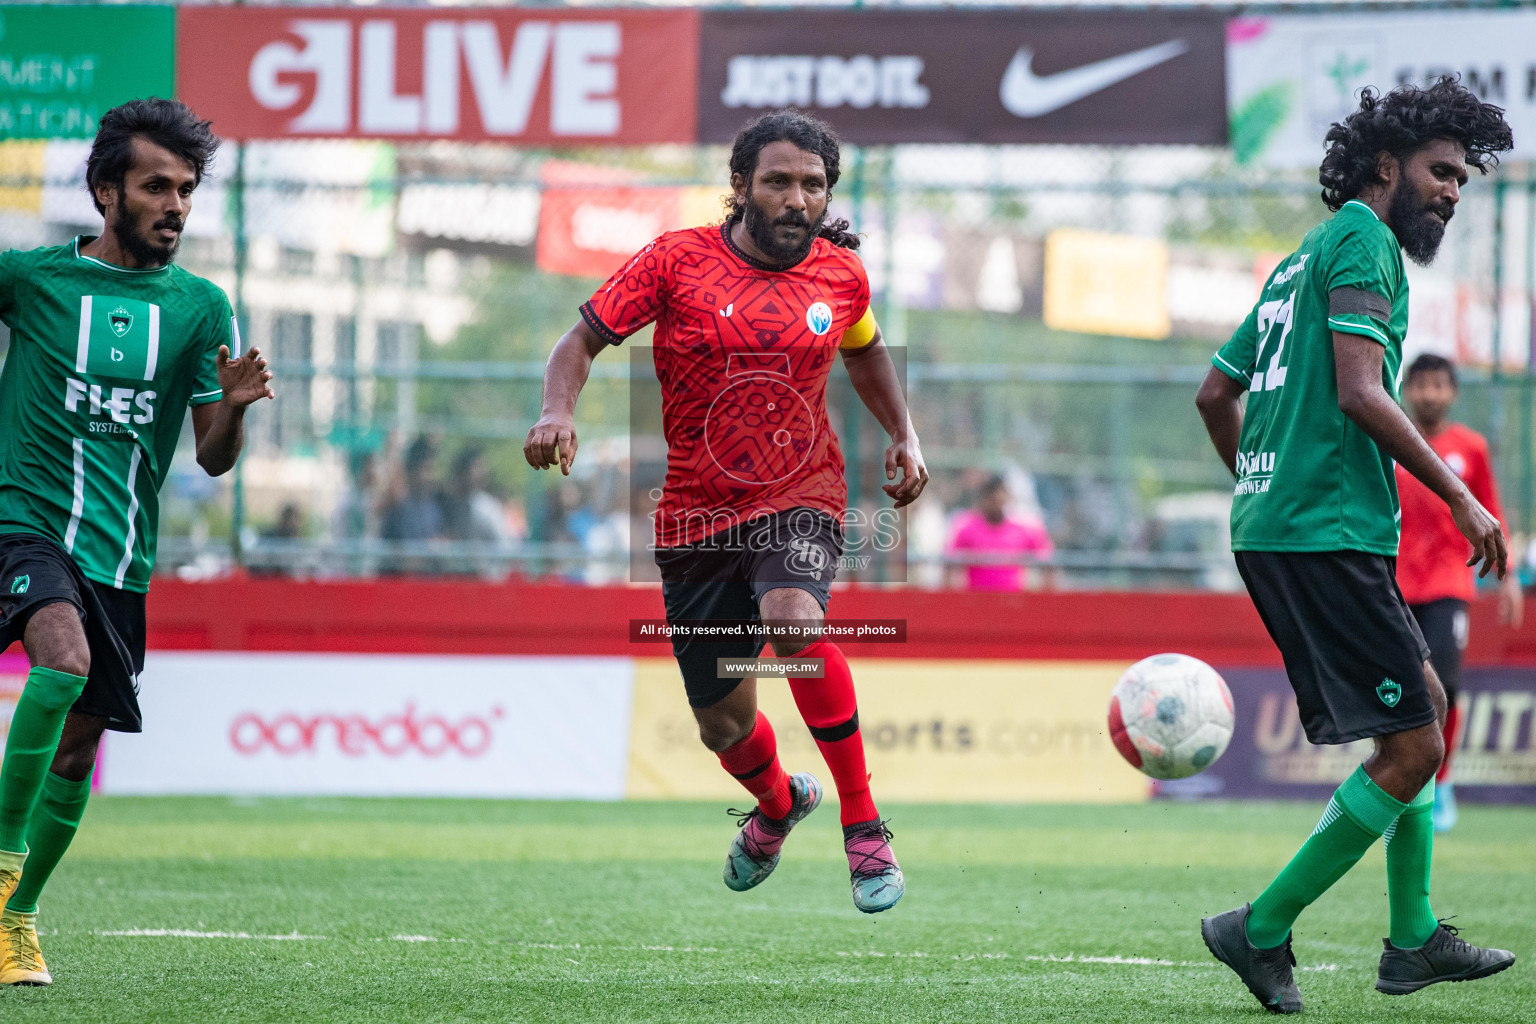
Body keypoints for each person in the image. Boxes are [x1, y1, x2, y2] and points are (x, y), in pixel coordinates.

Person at [525, 110, 927, 914]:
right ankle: (779, 804)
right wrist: (556, 410)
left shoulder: (841, 276)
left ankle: (863, 822)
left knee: (794, 622)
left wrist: (903, 432)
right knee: (724, 726)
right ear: (740, 187)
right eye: (778, 181)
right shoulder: (676, 261)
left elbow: (866, 347)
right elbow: (579, 343)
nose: (796, 199)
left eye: (812, 185)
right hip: (695, 518)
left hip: (801, 494)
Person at [1194, 77, 1515, 1012]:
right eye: (1442, 171)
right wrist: (1459, 497)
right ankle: (1257, 930)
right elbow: (1362, 390)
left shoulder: (1297, 261)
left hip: (1285, 528)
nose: (1454, 190)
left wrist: (1261, 485)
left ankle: (1412, 940)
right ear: (1387, 166)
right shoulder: (1364, 241)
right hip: (1326, 532)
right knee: (1414, 748)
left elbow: (1216, 395)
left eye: (1464, 177)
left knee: (1422, 712)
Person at [0, 98, 274, 985]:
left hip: (119, 558)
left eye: (187, 190)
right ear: (103, 190)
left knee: (78, 748)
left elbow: (213, 457)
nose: (176, 205)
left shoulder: (200, 307)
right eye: (156, 186)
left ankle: (16, 919)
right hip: (21, 524)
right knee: (63, 659)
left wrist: (231, 407)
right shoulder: (32, 279)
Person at [1396, 353, 1522, 831]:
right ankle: (1393, 779)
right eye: (1421, 385)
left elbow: (1489, 512)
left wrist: (1506, 577)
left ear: (1452, 392)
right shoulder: (1388, 444)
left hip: (1450, 581)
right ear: (1407, 390)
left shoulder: (1470, 447)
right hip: (1393, 584)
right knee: (1394, 690)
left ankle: (1440, 782)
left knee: (1444, 685)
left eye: (1439, 385)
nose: (1429, 394)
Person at [946, 474, 1054, 590]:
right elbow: (949, 566)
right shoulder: (966, 527)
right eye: (992, 500)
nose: (996, 504)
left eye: (999, 499)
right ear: (983, 499)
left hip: (1014, 601)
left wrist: (1044, 597)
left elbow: (1049, 562)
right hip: (976, 600)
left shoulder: (1024, 529)